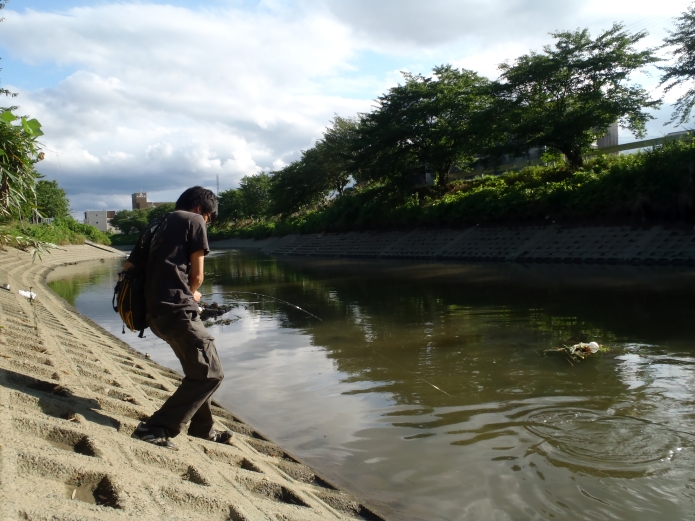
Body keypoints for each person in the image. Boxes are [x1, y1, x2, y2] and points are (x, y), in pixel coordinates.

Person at [124, 186, 231, 449]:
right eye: (208, 218)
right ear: (200, 209)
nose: (206, 223)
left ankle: (203, 428)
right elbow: (197, 277)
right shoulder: (193, 220)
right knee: (210, 373)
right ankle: (155, 428)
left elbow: (128, 269)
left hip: (153, 313)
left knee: (198, 370)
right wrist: (192, 294)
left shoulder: (156, 224)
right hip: (176, 309)